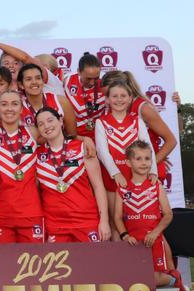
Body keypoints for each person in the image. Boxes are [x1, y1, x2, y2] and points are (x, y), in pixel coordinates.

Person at [114, 140, 185, 291]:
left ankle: (174, 279)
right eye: (138, 159)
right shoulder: (123, 189)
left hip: (153, 241)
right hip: (133, 243)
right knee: (133, 278)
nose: (144, 163)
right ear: (128, 162)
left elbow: (168, 214)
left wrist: (155, 233)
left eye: (147, 158)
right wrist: (125, 236)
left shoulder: (156, 186)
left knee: (150, 278)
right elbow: (117, 217)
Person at [35, 107, 110, 242]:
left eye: (50, 120)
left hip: (86, 221)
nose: (46, 126)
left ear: (61, 121)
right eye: (41, 124)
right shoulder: (36, 155)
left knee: (90, 263)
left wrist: (104, 221)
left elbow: (98, 186)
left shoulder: (82, 147)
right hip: (55, 225)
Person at [95, 81, 158, 239]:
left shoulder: (136, 120)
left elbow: (148, 147)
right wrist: (115, 173)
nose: (119, 99)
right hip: (112, 182)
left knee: (140, 222)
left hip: (135, 178)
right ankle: (120, 262)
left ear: (130, 98)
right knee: (116, 223)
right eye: (114, 96)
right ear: (107, 99)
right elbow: (102, 151)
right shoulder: (101, 122)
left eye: (123, 96)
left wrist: (153, 171)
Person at [0, 91, 43, 243]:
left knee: (33, 265)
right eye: (4, 104)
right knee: (3, 265)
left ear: (22, 109)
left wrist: (85, 139)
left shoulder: (33, 132)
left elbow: (58, 135)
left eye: (15, 104)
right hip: (0, 213)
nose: (9, 108)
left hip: (31, 212)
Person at [101, 70, 177, 183]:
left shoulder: (143, 108)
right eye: (107, 95)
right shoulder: (111, 112)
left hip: (146, 172)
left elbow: (171, 141)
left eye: (108, 93)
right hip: (125, 170)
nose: (107, 100)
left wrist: (150, 163)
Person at [17, 63, 77, 136]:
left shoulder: (61, 101)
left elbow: (72, 135)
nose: (34, 82)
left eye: (38, 78)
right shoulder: (17, 109)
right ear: (21, 85)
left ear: (43, 81)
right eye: (28, 79)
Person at [64, 52, 105, 139]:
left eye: (96, 78)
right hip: (75, 136)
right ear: (79, 71)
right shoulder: (67, 82)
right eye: (88, 78)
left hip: (99, 135)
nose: (92, 82)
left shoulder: (104, 85)